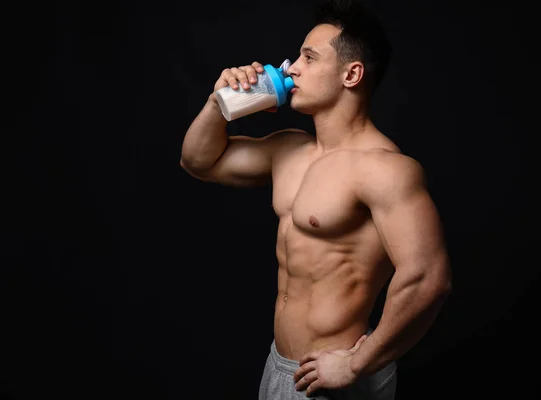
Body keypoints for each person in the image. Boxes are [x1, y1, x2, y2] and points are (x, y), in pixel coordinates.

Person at [180, 1, 451, 398]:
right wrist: (218, 104)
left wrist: (357, 363)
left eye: (309, 57)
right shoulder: (289, 150)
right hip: (281, 366)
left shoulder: (384, 169)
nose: (291, 68)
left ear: (351, 74)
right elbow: (198, 162)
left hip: (336, 376)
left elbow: (429, 278)